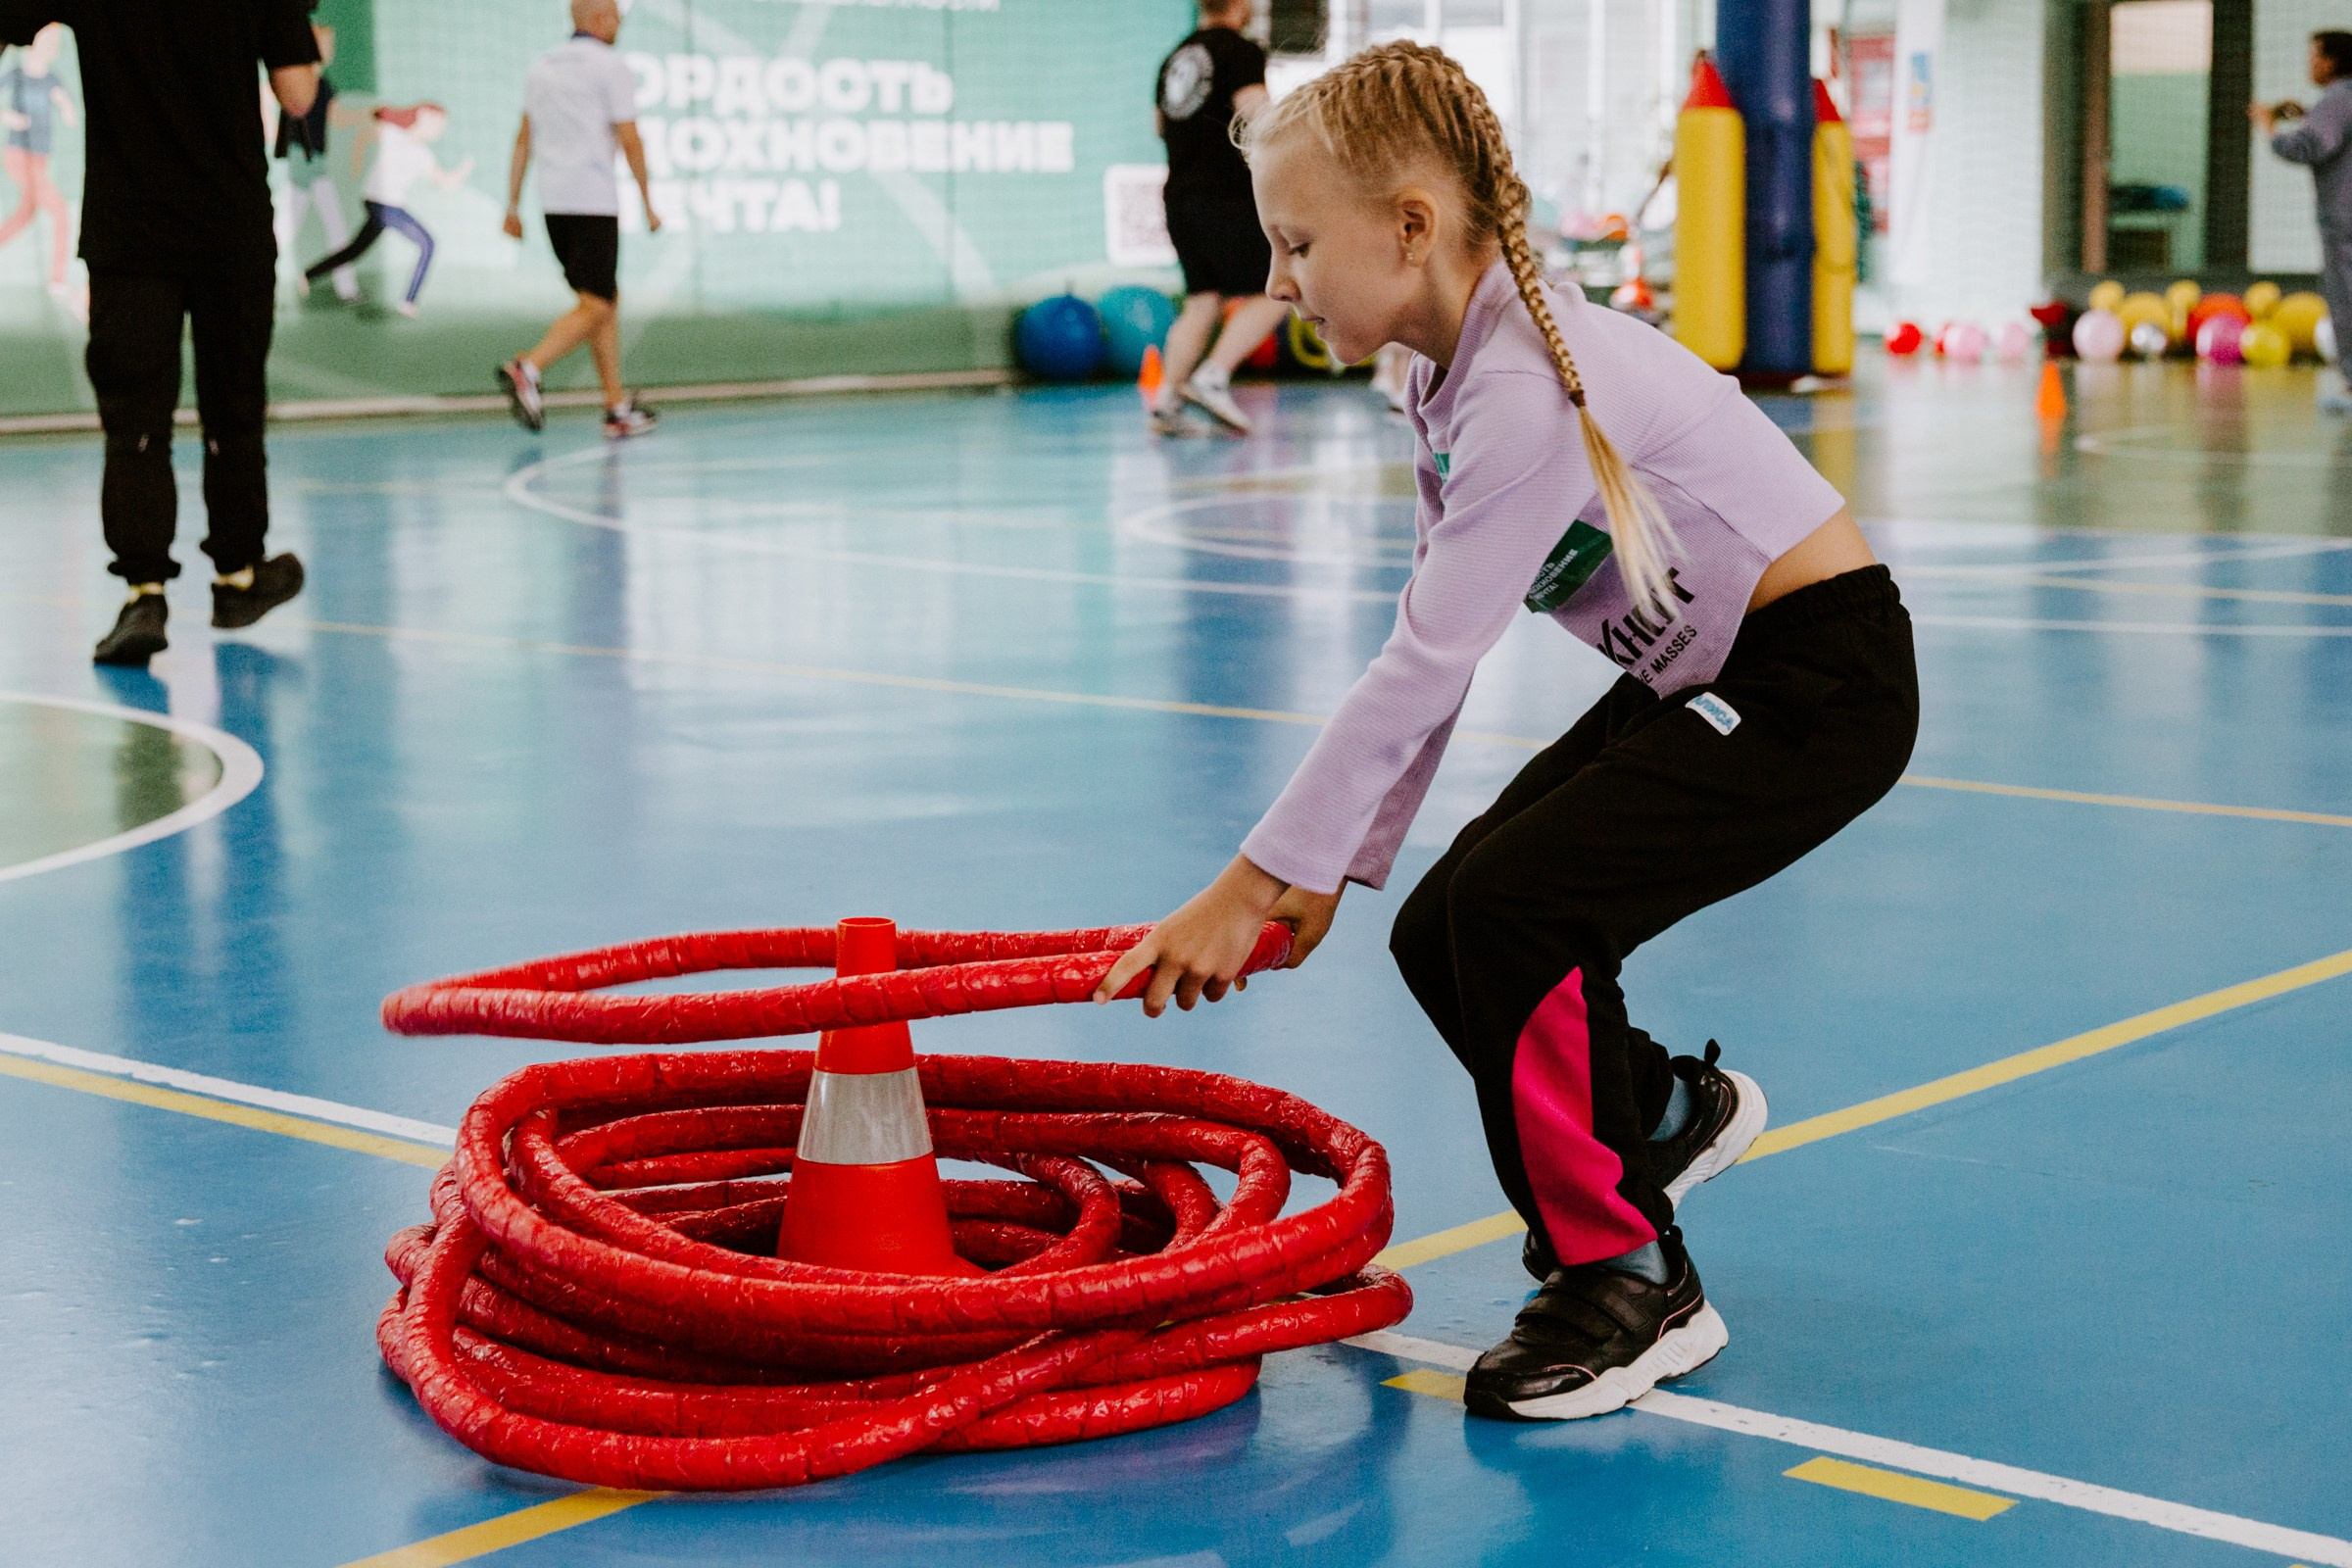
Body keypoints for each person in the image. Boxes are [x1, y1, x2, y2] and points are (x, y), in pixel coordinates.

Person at [1096, 42, 1918, 1422]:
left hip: (1812, 683)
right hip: (1707, 674)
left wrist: (1248, 884)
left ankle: (1627, 1274)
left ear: (1409, 226)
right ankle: (1663, 1114)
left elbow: (1427, 661)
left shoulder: (1524, 383)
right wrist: (1326, 875)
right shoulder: (1440, 378)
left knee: (1517, 913)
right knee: (1443, 928)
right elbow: (1434, 652)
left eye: (1298, 245)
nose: (1282, 280)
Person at [0, 0, 319, 667]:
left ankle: (143, 594)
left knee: (135, 422)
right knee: (234, 410)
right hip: (228, 226)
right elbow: (297, 94)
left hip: (127, 231)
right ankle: (237, 578)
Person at [495, 0, 661, 440]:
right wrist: (648, 201)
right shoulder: (610, 67)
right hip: (593, 200)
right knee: (597, 305)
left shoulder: (542, 66)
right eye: (617, 16)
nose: (620, 23)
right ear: (600, 19)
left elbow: (523, 138)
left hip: (553, 203)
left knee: (601, 298)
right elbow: (630, 138)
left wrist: (512, 205)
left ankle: (615, 406)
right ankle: (527, 368)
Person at [1150, 0, 1289, 436]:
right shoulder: (1240, 51)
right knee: (1278, 291)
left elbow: (1160, 125)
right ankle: (1212, 376)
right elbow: (1258, 114)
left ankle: (1167, 403)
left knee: (1202, 299)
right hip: (1225, 194)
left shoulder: (1175, 57)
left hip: (1179, 195)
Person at [2254, 30, 2352, 412]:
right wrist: (2311, 115)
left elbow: (2308, 147)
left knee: (2344, 297)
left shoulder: (2337, 97)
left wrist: (2269, 127)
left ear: (2330, 61)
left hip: (2343, 218)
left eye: (2314, 57)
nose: (2309, 64)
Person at [301, 103, 470, 317]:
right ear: (423, 117)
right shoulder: (393, 135)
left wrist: (462, 172)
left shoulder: (424, 156)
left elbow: (445, 182)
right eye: (437, 124)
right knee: (428, 243)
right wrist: (356, 159)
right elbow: (372, 123)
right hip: (381, 204)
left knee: (355, 250)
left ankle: (307, 275)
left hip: (388, 206)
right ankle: (408, 302)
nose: (439, 130)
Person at [270, 20, 359, 303]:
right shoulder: (302, 82)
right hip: (305, 162)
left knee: (329, 225)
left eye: (329, 44)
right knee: (287, 228)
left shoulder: (323, 84)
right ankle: (261, 285)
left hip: (313, 161)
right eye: (322, 43)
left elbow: (334, 118)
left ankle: (347, 288)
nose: (327, 49)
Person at [0, 22, 75, 298]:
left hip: (40, 157)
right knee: (59, 211)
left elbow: (63, 101)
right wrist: (9, 117)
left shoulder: (51, 79)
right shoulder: (16, 74)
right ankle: (57, 279)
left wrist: (67, 110)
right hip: (18, 157)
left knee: (23, 215)